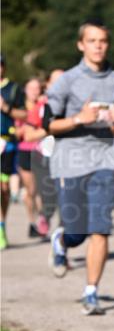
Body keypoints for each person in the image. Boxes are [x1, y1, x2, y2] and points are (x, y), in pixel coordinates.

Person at [45, 22, 114, 314]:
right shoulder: (66, 81)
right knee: (77, 233)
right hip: (70, 162)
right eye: (92, 40)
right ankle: (61, 240)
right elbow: (48, 125)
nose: (98, 46)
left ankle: (91, 292)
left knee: (100, 230)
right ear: (81, 45)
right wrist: (79, 118)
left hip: (105, 161)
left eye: (102, 40)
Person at [22, 68, 64, 236]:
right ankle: (44, 216)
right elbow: (28, 135)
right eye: (55, 81)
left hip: (68, 158)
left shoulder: (75, 105)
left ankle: (62, 235)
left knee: (67, 197)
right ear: (48, 85)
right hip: (44, 158)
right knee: (49, 198)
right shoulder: (41, 107)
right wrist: (52, 129)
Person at [15, 76, 49, 238]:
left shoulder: (45, 105)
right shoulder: (20, 108)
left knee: (43, 189)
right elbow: (16, 132)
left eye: (38, 88)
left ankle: (42, 219)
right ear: (25, 90)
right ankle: (32, 222)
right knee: (31, 190)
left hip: (43, 151)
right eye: (32, 88)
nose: (35, 91)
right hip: (25, 151)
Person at [1, 55, 27, 250]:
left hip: (6, 142)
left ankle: (1, 225)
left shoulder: (14, 89)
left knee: (3, 189)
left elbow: (24, 114)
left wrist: (5, 107)